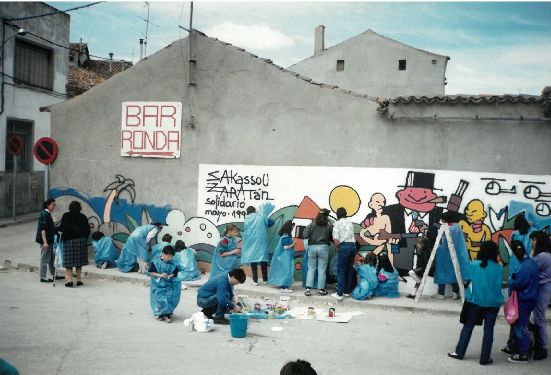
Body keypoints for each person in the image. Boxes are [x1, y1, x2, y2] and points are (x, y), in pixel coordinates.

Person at [448, 241, 504, 365]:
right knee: (489, 330)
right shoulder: (499, 268)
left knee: (468, 327)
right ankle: (485, 358)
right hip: (493, 303)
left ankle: (459, 352)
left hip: (475, 301)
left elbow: (467, 279)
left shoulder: (473, 265)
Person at [502, 240, 539, 363]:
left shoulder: (524, 266)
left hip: (524, 300)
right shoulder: (532, 263)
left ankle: (523, 354)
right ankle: (514, 347)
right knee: (519, 324)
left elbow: (518, 283)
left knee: (520, 326)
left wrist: (510, 281)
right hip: (531, 298)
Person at [433, 211, 471, 300]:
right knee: (455, 273)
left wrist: (438, 247)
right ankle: (455, 293)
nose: (441, 221)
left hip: (445, 254)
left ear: (445, 220)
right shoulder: (456, 227)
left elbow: (446, 242)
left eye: (442, 219)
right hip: (455, 254)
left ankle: (441, 293)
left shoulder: (451, 228)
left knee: (442, 272)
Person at [240, 203, 275, 285]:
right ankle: (265, 279)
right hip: (261, 241)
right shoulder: (261, 216)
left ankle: (255, 280)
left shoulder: (246, 220)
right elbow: (272, 222)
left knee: (253, 260)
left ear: (247, 212)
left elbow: (245, 231)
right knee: (263, 260)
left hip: (251, 242)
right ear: (255, 210)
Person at [529, 231, 551, 360]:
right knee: (537, 317)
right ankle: (540, 343)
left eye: (534, 240)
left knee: (539, 318)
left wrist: (531, 254)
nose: (532, 242)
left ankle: (542, 345)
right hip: (542, 288)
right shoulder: (545, 254)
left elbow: (530, 267)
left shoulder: (542, 256)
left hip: (542, 289)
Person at [59, 201, 91, 287]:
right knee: (79, 261)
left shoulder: (66, 216)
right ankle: (79, 280)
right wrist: (84, 238)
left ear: (70, 207)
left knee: (69, 262)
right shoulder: (83, 217)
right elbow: (88, 230)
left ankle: (69, 280)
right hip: (80, 241)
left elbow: (62, 228)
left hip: (69, 241)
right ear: (79, 208)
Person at [304, 209, 333, 296]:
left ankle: (308, 289)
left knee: (311, 268)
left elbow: (305, 234)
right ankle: (321, 289)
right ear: (326, 216)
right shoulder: (328, 226)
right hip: (323, 247)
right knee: (322, 269)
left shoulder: (312, 224)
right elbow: (331, 236)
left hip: (312, 247)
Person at [148, 245, 181, 323]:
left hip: (169, 284)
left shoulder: (174, 263)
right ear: (163, 254)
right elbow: (151, 272)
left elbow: (175, 273)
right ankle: (161, 314)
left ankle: (168, 314)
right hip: (158, 284)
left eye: (171, 256)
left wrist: (170, 276)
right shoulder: (155, 262)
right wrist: (161, 275)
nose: (169, 258)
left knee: (169, 298)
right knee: (159, 299)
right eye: (168, 256)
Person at [331, 207, 357, 301]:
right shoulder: (350, 223)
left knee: (341, 270)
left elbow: (336, 240)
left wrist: (337, 247)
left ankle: (339, 294)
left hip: (344, 246)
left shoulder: (337, 223)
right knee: (349, 270)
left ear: (337, 215)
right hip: (353, 246)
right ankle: (346, 291)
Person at [35, 198, 60, 283]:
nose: (54, 206)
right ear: (48, 205)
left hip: (50, 240)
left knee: (51, 258)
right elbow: (43, 229)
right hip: (46, 241)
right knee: (45, 258)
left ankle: (54, 274)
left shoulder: (48, 214)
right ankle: (42, 276)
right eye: (53, 205)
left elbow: (49, 228)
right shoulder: (44, 214)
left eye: (54, 205)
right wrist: (45, 242)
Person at [268, 220, 296, 292]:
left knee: (285, 270)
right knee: (287, 270)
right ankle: (284, 287)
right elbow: (285, 247)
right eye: (292, 227)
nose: (293, 228)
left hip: (285, 256)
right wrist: (293, 243)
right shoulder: (286, 236)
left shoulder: (285, 235)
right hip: (285, 256)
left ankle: (285, 285)